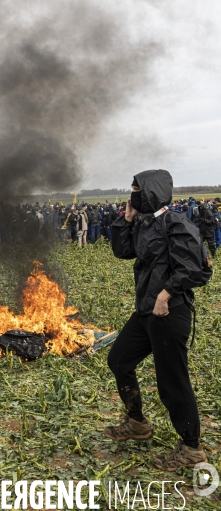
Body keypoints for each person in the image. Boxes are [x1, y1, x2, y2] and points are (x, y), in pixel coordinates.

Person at [105, 169, 209, 470]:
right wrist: (125, 219)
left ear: (150, 192)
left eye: (136, 189)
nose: (131, 194)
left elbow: (196, 269)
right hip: (146, 310)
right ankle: (136, 422)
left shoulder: (177, 223)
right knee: (119, 360)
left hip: (169, 312)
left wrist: (166, 294)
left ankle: (191, 448)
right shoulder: (145, 224)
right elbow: (123, 251)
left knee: (172, 381)